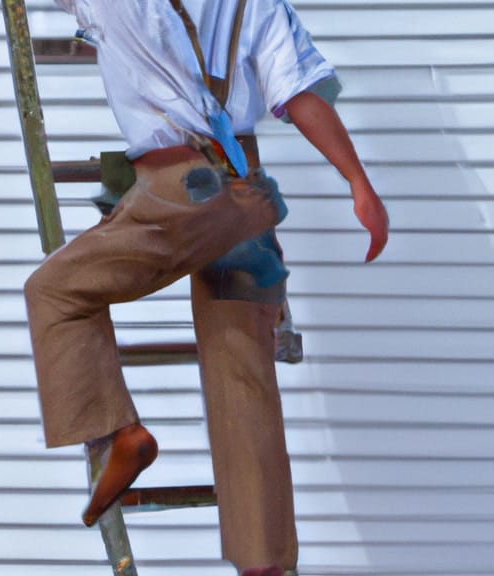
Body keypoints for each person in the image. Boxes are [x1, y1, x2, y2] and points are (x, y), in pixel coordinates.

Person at [22, 1, 389, 575]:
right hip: (247, 195)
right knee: (245, 379)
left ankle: (119, 432)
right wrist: (359, 184)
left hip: (180, 187)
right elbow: (300, 95)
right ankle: (264, 563)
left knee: (54, 291)